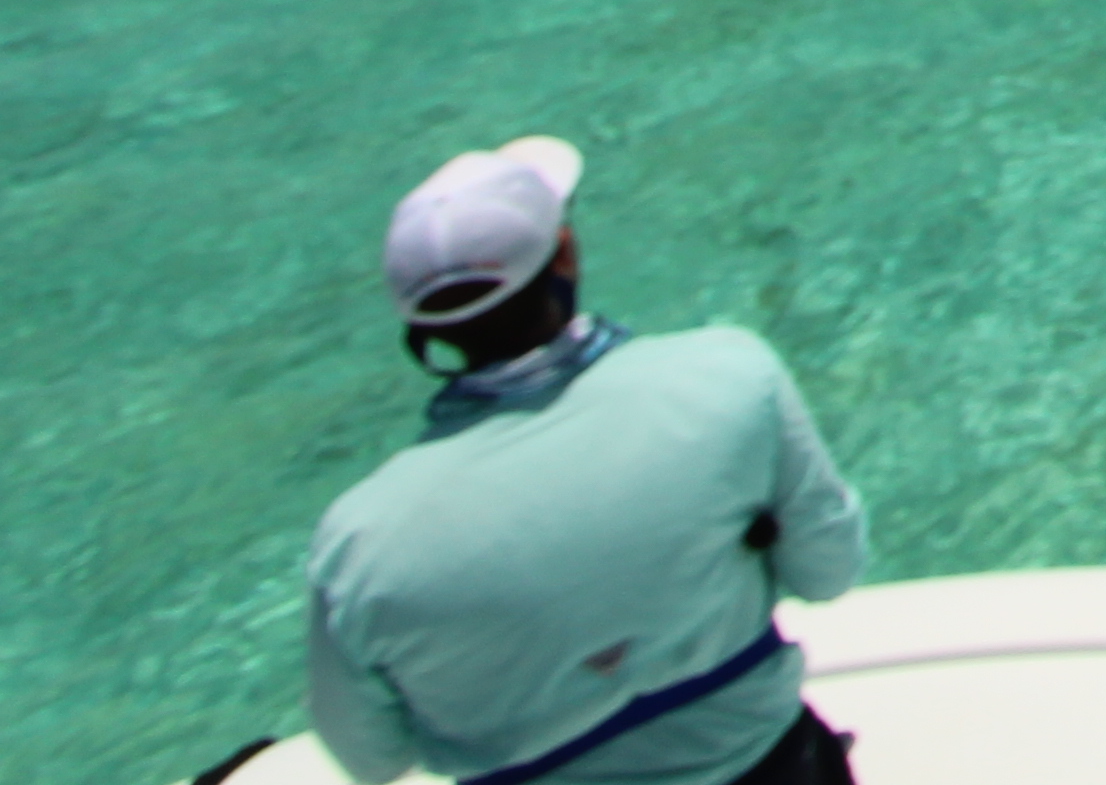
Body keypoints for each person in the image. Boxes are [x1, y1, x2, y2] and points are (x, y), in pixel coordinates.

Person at [304, 134, 870, 785]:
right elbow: (830, 570)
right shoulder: (729, 378)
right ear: (565, 253)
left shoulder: (360, 543)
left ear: (424, 327)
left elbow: (370, 759)